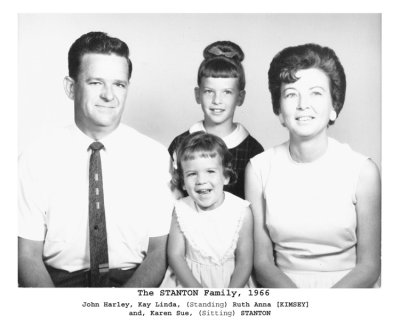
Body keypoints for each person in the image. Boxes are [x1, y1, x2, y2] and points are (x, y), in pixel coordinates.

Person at [18, 31, 173, 287]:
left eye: (119, 84)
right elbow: (27, 256)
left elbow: (159, 252)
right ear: (71, 87)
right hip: (58, 289)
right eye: (96, 83)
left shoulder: (154, 157)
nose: (109, 95)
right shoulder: (34, 159)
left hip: (133, 287)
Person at [245, 43, 381, 288]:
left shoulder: (363, 171)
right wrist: (302, 307)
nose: (302, 104)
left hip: (348, 293)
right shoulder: (258, 169)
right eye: (291, 94)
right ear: (279, 110)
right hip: (283, 292)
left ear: (333, 107)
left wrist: (322, 310)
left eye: (316, 93)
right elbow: (262, 262)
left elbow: (369, 266)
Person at [169, 41, 264, 199]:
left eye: (227, 92)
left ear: (240, 97)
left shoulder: (253, 151)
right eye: (209, 91)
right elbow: (171, 200)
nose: (217, 100)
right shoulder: (180, 144)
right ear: (197, 94)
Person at [161, 131, 253, 287]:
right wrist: (198, 293)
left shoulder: (241, 211)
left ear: (226, 176)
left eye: (210, 171)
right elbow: (175, 256)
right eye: (191, 174)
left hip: (233, 285)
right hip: (189, 283)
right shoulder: (181, 209)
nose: (201, 181)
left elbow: (245, 261)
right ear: (182, 182)